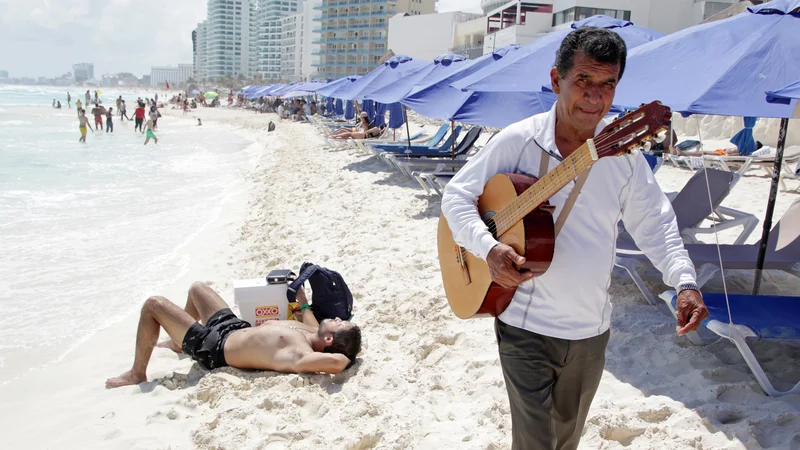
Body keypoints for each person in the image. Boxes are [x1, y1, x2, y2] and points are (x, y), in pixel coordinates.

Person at [440, 27, 708, 450]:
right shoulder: (518, 140)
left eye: (608, 84)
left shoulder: (626, 159)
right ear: (555, 80)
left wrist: (685, 282)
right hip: (523, 326)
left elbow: (657, 226)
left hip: (590, 330)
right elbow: (456, 195)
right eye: (583, 80)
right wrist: (487, 248)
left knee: (565, 441)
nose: (595, 97)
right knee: (535, 442)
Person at [105, 282, 361, 388]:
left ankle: (137, 373)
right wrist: (302, 301)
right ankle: (176, 343)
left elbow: (338, 362)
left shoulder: (300, 354)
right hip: (234, 327)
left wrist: (347, 357)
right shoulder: (311, 331)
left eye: (339, 324)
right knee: (197, 289)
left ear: (329, 340)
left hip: (214, 348)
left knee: (154, 304)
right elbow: (309, 318)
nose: (338, 319)